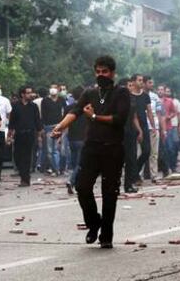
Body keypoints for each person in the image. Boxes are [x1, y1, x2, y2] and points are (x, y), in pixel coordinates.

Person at [52, 56, 130, 249]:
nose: (101, 75)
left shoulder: (122, 93)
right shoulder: (90, 92)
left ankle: (106, 235)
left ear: (112, 73)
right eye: (98, 72)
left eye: (104, 72)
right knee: (82, 186)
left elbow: (119, 119)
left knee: (109, 193)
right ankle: (94, 223)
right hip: (92, 147)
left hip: (113, 148)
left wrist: (94, 116)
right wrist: (60, 127)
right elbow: (76, 111)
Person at [8, 86, 43, 187]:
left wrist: (40, 135)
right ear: (22, 94)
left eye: (31, 93)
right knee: (17, 156)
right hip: (19, 134)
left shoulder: (33, 106)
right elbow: (12, 122)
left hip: (30, 134)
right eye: (28, 93)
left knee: (27, 157)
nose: (30, 95)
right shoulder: (15, 106)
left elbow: (38, 121)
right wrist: (9, 135)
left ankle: (25, 179)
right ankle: (22, 174)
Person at [131, 75, 156, 183]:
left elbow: (149, 112)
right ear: (133, 82)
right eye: (139, 80)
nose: (142, 82)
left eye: (142, 80)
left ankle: (134, 171)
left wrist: (153, 126)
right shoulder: (129, 95)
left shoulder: (145, 96)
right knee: (133, 152)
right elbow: (132, 115)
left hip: (144, 125)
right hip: (131, 126)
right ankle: (133, 175)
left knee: (147, 151)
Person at [119, 78, 142, 193]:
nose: (131, 87)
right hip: (118, 132)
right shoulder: (115, 99)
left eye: (131, 85)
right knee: (118, 160)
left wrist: (139, 130)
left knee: (131, 159)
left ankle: (128, 185)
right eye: (129, 85)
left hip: (130, 132)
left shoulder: (132, 99)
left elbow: (134, 117)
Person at [64, 86, 87, 195]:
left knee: (74, 163)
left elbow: (65, 123)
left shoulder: (68, 108)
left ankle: (76, 184)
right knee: (81, 163)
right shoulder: (87, 108)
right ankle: (71, 181)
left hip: (72, 138)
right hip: (83, 138)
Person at [41, 83, 66, 176]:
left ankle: (59, 169)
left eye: (55, 87)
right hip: (48, 127)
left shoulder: (61, 100)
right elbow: (43, 114)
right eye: (51, 87)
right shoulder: (45, 100)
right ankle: (55, 169)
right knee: (50, 151)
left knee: (58, 149)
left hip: (59, 126)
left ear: (58, 89)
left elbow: (65, 112)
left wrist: (64, 125)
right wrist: (42, 127)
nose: (53, 89)